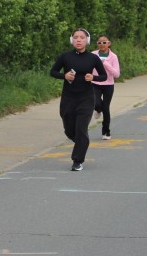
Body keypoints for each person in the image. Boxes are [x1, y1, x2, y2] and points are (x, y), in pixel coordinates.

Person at [50, 28, 107, 172]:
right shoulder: (65, 57)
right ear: (72, 40)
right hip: (68, 98)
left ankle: (77, 161)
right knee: (69, 131)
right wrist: (64, 76)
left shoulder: (93, 58)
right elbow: (53, 72)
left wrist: (93, 77)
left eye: (82, 37)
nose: (79, 40)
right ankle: (82, 143)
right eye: (75, 37)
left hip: (86, 98)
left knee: (81, 129)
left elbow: (104, 76)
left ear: (87, 41)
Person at [91, 34, 120, 141]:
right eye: (99, 42)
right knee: (97, 103)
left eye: (104, 42)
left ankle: (106, 131)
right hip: (95, 83)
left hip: (108, 85)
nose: (102, 44)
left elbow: (116, 74)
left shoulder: (113, 57)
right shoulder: (93, 55)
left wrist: (106, 64)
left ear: (109, 43)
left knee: (106, 108)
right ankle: (98, 110)